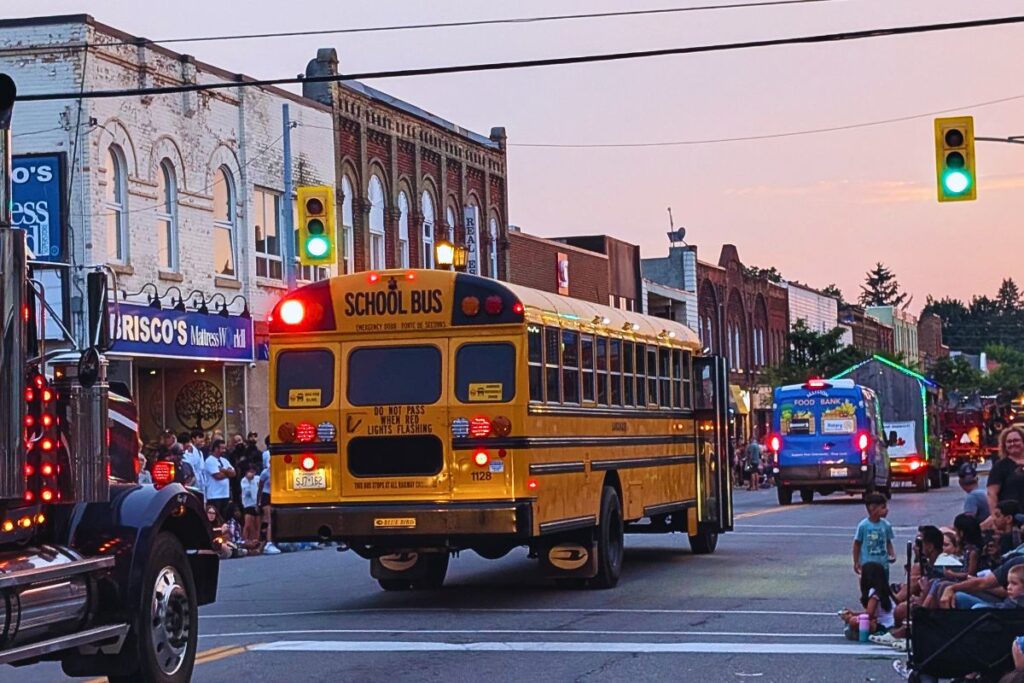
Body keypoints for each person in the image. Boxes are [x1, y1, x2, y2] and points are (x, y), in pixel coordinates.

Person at [840, 561, 896, 639]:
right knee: (854, 620)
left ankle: (873, 633)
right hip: (886, 623)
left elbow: (868, 615)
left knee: (853, 621)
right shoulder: (882, 590)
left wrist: (850, 618)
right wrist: (853, 613)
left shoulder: (875, 594)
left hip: (884, 626)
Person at [853, 492, 896, 577]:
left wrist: (892, 554)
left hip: (883, 565)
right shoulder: (863, 526)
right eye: (883, 507)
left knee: (883, 587)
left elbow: (888, 542)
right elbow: (857, 544)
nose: (887, 510)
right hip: (868, 565)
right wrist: (856, 561)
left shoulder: (886, 525)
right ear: (873, 508)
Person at [986, 427, 1024, 517]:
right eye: (1009, 442)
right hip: (1012, 519)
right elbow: (992, 494)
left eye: (1016, 440)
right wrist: (995, 517)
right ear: (1004, 445)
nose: (1012, 444)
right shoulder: (1000, 466)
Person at [204, 438, 235, 517]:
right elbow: (217, 476)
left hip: (225, 495)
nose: (224, 450)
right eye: (222, 448)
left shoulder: (225, 460)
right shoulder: (209, 461)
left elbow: (234, 473)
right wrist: (227, 472)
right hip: (214, 496)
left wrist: (223, 470)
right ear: (216, 449)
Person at [241, 465, 261, 548]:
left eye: (253, 471)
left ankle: (256, 542)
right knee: (248, 524)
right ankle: (244, 541)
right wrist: (250, 481)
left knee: (257, 525)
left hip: (257, 503)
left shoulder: (258, 478)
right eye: (250, 472)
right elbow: (247, 492)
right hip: (248, 504)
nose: (252, 473)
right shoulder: (244, 481)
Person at [178, 431, 206, 495]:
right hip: (191, 482)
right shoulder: (186, 452)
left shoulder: (200, 453)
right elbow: (188, 467)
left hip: (201, 483)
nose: (202, 440)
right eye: (199, 437)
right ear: (193, 439)